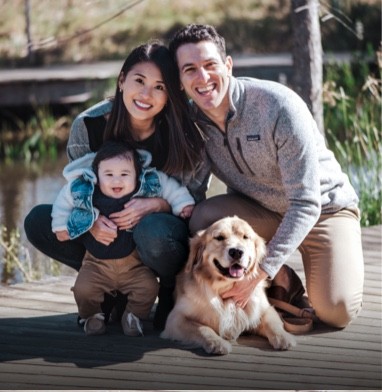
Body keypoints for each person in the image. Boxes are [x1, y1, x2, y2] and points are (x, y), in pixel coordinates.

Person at [168, 24, 364, 329]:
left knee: (336, 311)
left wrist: (262, 271)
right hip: (260, 212)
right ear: (180, 80)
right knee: (202, 218)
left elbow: (306, 203)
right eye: (190, 69)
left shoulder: (278, 107)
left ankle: (278, 274)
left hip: (323, 210)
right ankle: (286, 277)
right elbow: (192, 191)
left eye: (210, 65)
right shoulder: (194, 124)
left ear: (228, 65)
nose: (203, 78)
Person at [24, 41, 207, 330]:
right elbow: (76, 190)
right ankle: (108, 286)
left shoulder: (183, 132)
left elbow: (193, 203)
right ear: (121, 81)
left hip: (160, 231)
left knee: (153, 231)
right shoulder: (89, 125)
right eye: (139, 81)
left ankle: (170, 287)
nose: (146, 94)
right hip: (105, 232)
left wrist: (157, 204)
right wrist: (90, 221)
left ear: (171, 94)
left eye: (160, 87)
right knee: (38, 222)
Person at [52, 140, 195, 336]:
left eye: (124, 175)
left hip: (134, 265)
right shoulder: (86, 189)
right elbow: (64, 200)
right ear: (96, 175)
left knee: (149, 287)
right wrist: (62, 225)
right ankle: (92, 316)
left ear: (137, 175)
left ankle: (133, 315)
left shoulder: (146, 184)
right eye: (108, 175)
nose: (116, 181)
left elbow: (169, 187)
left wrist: (183, 204)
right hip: (96, 264)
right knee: (83, 289)